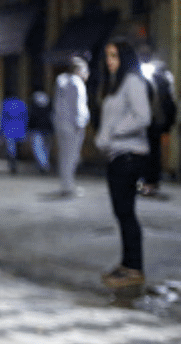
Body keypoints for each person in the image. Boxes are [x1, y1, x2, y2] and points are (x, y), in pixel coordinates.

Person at [95, 40, 153, 290]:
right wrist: (104, 138)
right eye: (108, 56)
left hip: (129, 156)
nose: (110, 61)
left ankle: (134, 268)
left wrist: (113, 133)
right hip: (117, 155)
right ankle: (127, 264)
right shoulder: (116, 85)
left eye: (115, 56)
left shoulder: (132, 82)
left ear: (125, 58)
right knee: (121, 213)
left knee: (126, 213)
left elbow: (143, 116)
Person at [53, 56, 90, 197]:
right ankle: (68, 187)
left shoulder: (61, 81)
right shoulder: (77, 84)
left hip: (61, 124)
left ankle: (66, 184)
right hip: (73, 126)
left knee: (64, 156)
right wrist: (80, 123)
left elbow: (58, 105)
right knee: (71, 156)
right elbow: (78, 107)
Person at [140, 58, 176, 198]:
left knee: (150, 155)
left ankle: (149, 183)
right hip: (155, 124)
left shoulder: (157, 82)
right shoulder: (164, 82)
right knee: (152, 154)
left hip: (152, 124)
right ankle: (150, 183)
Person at [0, 95, 28, 174]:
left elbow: (2, 118)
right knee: (17, 147)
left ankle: (12, 162)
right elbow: (25, 118)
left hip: (9, 129)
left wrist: (1, 131)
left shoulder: (5, 104)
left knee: (11, 148)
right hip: (20, 129)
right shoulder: (22, 104)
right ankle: (15, 162)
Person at [27, 90, 53, 174]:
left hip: (37, 130)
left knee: (38, 148)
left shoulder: (34, 108)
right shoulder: (49, 108)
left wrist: (29, 128)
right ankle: (44, 164)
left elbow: (31, 119)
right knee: (45, 149)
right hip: (47, 130)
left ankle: (43, 165)